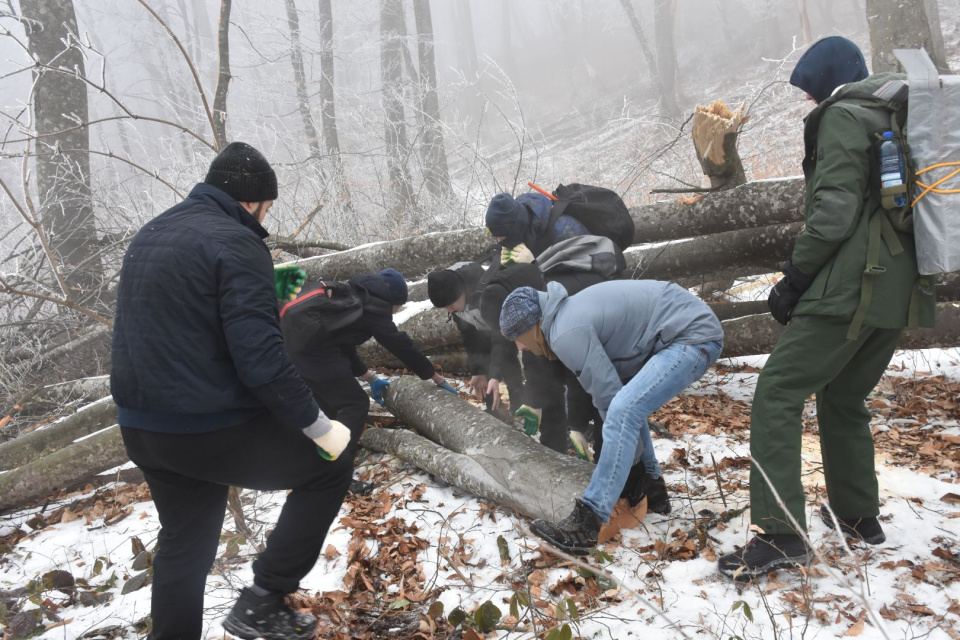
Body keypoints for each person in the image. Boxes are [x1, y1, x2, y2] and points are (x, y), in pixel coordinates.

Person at [111, 142, 351, 639]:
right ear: (252, 202)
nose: (266, 217)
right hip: (207, 427)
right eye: (266, 208)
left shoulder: (153, 231)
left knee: (185, 542)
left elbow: (178, 329)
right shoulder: (237, 244)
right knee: (331, 465)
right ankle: (264, 599)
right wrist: (318, 426)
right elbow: (261, 360)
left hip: (142, 428)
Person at [718, 37, 935, 579]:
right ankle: (859, 518)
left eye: (810, 93)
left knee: (776, 391)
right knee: (842, 395)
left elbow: (834, 211)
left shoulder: (843, 117)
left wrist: (794, 279)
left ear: (827, 84)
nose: (809, 105)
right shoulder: (894, 113)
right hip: (901, 285)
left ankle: (782, 530)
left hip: (855, 284)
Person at [500, 281, 724, 554]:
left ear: (531, 327)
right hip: (677, 332)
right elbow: (610, 394)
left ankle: (588, 519)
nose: (520, 348)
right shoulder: (565, 318)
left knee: (622, 411)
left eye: (517, 338)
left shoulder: (565, 332)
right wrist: (636, 464)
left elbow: (610, 402)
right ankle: (654, 492)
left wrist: (632, 463)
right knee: (627, 406)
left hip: (691, 336)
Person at [284, 268, 458, 467]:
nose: (396, 312)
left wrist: (371, 378)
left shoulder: (353, 297)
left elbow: (344, 345)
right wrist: (436, 377)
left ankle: (317, 464)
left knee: (328, 408)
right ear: (393, 300)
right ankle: (336, 471)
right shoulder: (374, 308)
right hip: (314, 357)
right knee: (354, 405)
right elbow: (400, 344)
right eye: (398, 307)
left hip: (293, 352)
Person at [427, 262, 524, 414]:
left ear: (462, 292)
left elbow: (502, 339)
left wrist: (495, 376)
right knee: (483, 363)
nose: (449, 310)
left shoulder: (488, 294)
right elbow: (470, 337)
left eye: (450, 305)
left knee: (507, 362)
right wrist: (478, 371)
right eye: (445, 307)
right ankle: (494, 408)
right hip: (485, 329)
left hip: (509, 328)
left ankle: (520, 404)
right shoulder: (454, 302)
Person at [485, 190, 590, 259]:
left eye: (501, 235)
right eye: (494, 235)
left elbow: (576, 281)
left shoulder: (565, 231)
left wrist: (533, 266)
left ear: (515, 229)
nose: (498, 240)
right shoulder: (523, 230)